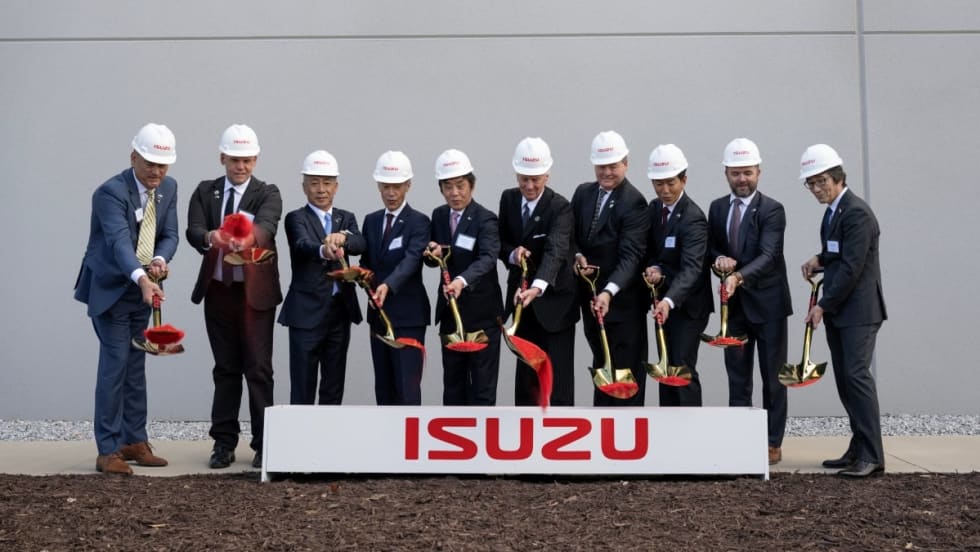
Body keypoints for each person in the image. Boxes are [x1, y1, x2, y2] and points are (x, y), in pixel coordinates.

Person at [74, 123, 178, 475]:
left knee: (135, 366)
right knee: (115, 365)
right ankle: (108, 450)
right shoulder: (109, 193)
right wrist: (143, 279)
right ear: (134, 157)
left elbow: (169, 234)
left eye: (163, 165)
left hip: (140, 292)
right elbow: (119, 243)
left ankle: (134, 440)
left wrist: (159, 260)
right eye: (150, 163)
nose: (156, 172)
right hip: (110, 291)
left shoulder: (168, 188)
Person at [187, 124, 283, 470]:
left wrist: (248, 238)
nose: (241, 166)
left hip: (254, 294)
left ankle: (264, 443)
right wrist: (210, 237)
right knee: (225, 368)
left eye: (247, 160)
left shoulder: (267, 192)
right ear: (222, 158)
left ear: (256, 160)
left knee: (258, 368)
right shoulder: (205, 191)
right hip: (219, 292)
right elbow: (194, 230)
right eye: (234, 159)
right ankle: (223, 443)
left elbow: (267, 226)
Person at [800, 144, 887, 478]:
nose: (816, 188)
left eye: (821, 181)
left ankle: (872, 455)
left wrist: (822, 305)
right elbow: (837, 253)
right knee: (845, 380)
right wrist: (819, 259)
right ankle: (858, 447)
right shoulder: (834, 212)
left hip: (859, 312)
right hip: (842, 311)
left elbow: (852, 267)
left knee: (856, 377)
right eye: (811, 183)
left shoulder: (856, 213)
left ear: (838, 177)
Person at [707, 138, 792, 465]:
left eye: (748, 172)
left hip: (769, 307)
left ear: (759, 172)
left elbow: (769, 255)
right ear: (726, 174)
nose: (742, 179)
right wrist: (719, 259)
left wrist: (738, 276)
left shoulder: (772, 210)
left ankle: (771, 442)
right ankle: (740, 437)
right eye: (735, 173)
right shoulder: (717, 208)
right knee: (738, 375)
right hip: (735, 309)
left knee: (773, 378)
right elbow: (711, 247)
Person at [278, 150, 366, 405]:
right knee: (303, 384)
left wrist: (345, 238)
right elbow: (301, 245)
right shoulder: (296, 217)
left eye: (327, 183)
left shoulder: (345, 218)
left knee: (334, 384)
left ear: (336, 187)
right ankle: (301, 431)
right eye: (314, 183)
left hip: (339, 312)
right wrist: (323, 250)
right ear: (304, 187)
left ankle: (330, 431)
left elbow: (361, 243)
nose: (321, 189)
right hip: (306, 312)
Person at [497, 137, 579, 406]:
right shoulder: (508, 199)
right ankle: (525, 429)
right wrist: (513, 253)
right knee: (527, 379)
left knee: (557, 380)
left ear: (547, 175)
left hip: (555, 304)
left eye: (536, 179)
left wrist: (537, 286)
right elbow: (501, 241)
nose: (530, 186)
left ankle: (560, 427)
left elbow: (556, 250)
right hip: (522, 304)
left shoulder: (560, 207)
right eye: (524, 179)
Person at [571, 131, 650, 406]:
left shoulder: (634, 201)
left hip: (622, 305)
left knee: (626, 374)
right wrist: (577, 255)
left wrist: (608, 292)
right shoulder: (583, 193)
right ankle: (603, 428)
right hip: (591, 302)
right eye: (601, 166)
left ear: (626, 164)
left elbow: (631, 256)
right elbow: (571, 236)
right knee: (602, 367)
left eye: (613, 166)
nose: (606, 172)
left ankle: (629, 430)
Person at [424, 149, 503, 406]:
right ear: (441, 189)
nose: (455, 193)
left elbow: (488, 258)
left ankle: (483, 433)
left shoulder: (485, 219)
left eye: (460, 186)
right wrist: (432, 252)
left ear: (472, 185)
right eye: (448, 187)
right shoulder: (438, 215)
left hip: (482, 316)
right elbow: (436, 256)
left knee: (482, 389)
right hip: (451, 315)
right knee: (453, 387)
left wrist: (461, 280)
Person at [642, 144, 713, 408]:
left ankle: (690, 426)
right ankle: (669, 423)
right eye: (658, 184)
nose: (665, 190)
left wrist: (669, 300)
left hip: (687, 306)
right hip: (663, 303)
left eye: (670, 183)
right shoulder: (653, 209)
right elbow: (650, 250)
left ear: (684, 180)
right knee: (666, 367)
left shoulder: (693, 218)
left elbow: (692, 268)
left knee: (681, 366)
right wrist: (654, 267)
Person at [360, 151, 431, 405]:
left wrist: (387, 285)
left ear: (408, 185)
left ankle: (408, 433)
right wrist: (365, 282)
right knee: (384, 388)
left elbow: (411, 260)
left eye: (397, 186)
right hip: (379, 317)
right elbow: (367, 262)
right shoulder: (371, 221)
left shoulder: (419, 222)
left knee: (406, 389)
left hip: (408, 317)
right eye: (386, 186)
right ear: (378, 186)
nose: (391, 193)